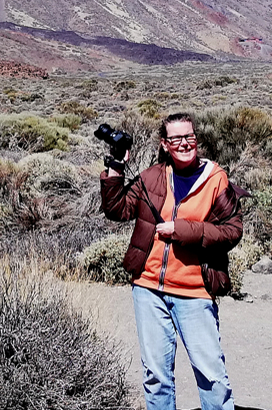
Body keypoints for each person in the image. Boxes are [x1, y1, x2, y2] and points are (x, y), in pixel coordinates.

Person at [100, 113, 243, 410]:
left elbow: (232, 230)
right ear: (165, 144)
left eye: (188, 136)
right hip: (148, 289)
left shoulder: (215, 179)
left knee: (212, 377)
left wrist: (183, 230)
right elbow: (117, 209)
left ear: (197, 139)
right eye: (176, 138)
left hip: (193, 291)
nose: (184, 143)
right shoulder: (152, 176)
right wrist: (115, 167)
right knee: (156, 377)